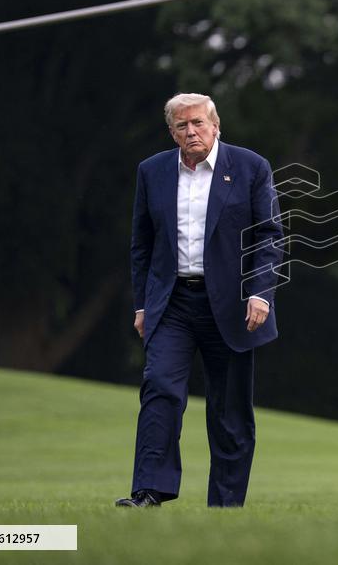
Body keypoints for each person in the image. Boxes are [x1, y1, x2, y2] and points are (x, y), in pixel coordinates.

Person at [117, 93, 284, 508]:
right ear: (171, 132)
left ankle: (225, 507)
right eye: (182, 125)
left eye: (198, 123)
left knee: (230, 411)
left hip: (231, 306)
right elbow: (142, 243)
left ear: (215, 125)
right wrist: (142, 304)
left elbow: (269, 236)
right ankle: (148, 492)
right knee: (160, 388)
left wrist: (260, 293)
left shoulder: (250, 167)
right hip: (172, 303)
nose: (191, 131)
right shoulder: (152, 171)